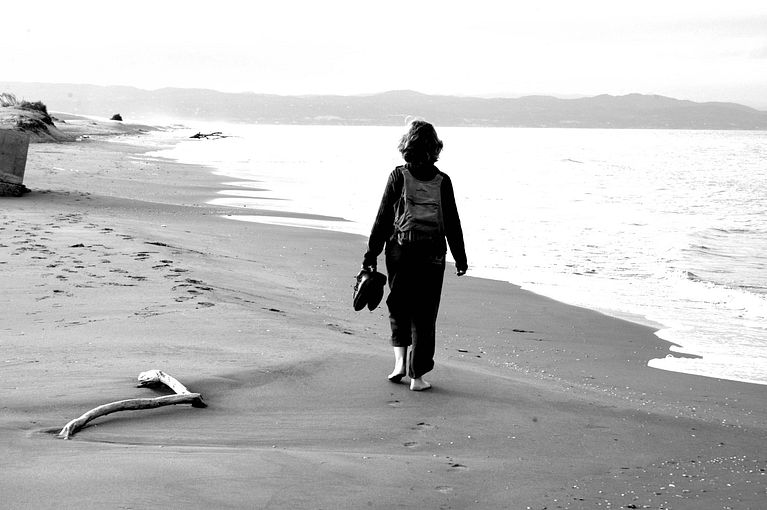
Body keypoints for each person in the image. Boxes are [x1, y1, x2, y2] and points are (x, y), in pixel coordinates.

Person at [361, 120, 468, 391]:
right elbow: (452, 222)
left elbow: (383, 219)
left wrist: (371, 254)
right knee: (425, 314)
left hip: (400, 251)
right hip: (432, 254)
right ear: (435, 147)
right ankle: (417, 377)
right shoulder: (443, 181)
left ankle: (399, 364)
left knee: (399, 305)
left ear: (406, 145)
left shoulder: (398, 176)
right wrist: (460, 258)